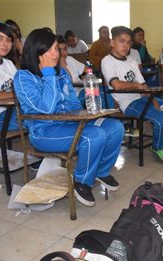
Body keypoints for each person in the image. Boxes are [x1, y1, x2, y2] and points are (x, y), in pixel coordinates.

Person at [14, 28, 124, 207]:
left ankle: (101, 172)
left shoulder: (62, 73)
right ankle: (81, 182)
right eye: (49, 50)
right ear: (36, 52)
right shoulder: (23, 77)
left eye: (56, 48)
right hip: (44, 132)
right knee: (94, 135)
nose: (55, 54)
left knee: (115, 128)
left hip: (69, 124)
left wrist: (85, 115)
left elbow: (73, 102)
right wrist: (49, 74)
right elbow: (47, 109)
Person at [101, 26, 163, 167]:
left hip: (143, 98)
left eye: (128, 42)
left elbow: (143, 85)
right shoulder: (107, 61)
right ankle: (157, 149)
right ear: (112, 42)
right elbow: (116, 85)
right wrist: (137, 87)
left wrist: (152, 100)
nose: (125, 46)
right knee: (162, 120)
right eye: (121, 41)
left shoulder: (132, 62)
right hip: (128, 103)